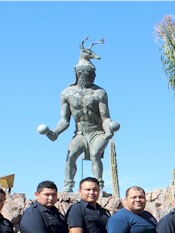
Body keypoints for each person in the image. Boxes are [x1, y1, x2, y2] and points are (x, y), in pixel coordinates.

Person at [42, 50, 120, 192]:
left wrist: (109, 128)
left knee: (96, 154)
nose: (94, 76)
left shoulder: (99, 93)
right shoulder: (67, 93)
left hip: (97, 132)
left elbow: (105, 117)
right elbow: (65, 120)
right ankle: (68, 185)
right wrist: (55, 133)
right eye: (91, 73)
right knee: (71, 155)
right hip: (81, 133)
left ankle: (98, 186)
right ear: (81, 74)